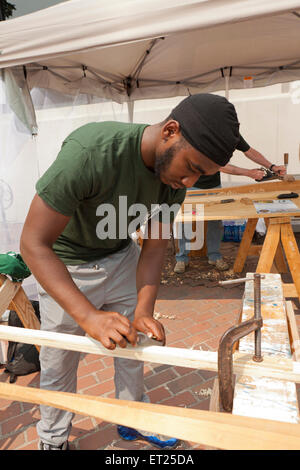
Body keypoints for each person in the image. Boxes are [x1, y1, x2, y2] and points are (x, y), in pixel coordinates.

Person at [20, 93, 241, 450]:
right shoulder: (91, 151)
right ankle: (54, 438)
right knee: (59, 361)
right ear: (170, 131)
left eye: (201, 177)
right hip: (67, 264)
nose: (189, 183)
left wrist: (143, 311)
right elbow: (33, 244)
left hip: (123, 256)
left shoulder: (174, 181)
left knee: (134, 347)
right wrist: (88, 315)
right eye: (193, 168)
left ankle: (132, 420)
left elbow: (154, 249)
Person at [173, 138, 286, 273]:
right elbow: (217, 165)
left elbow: (249, 151)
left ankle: (214, 256)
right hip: (192, 185)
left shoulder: (230, 132)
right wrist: (248, 173)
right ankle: (182, 258)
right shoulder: (202, 132)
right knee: (186, 221)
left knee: (215, 222)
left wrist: (272, 167)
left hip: (214, 187)